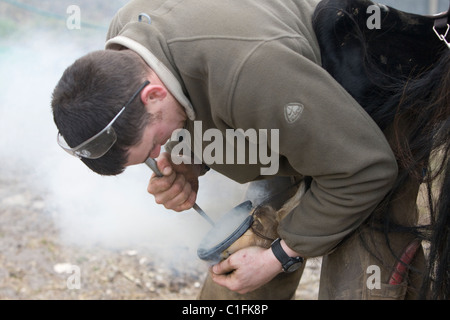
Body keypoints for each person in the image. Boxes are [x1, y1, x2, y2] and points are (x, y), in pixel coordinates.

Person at [52, 0, 405, 299]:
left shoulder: (253, 70)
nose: (160, 156)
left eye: (155, 146)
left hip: (369, 116)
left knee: (361, 284)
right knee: (238, 271)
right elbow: (197, 97)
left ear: (153, 95)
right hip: (283, 117)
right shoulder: (125, 48)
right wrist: (189, 158)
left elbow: (365, 168)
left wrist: (278, 257)